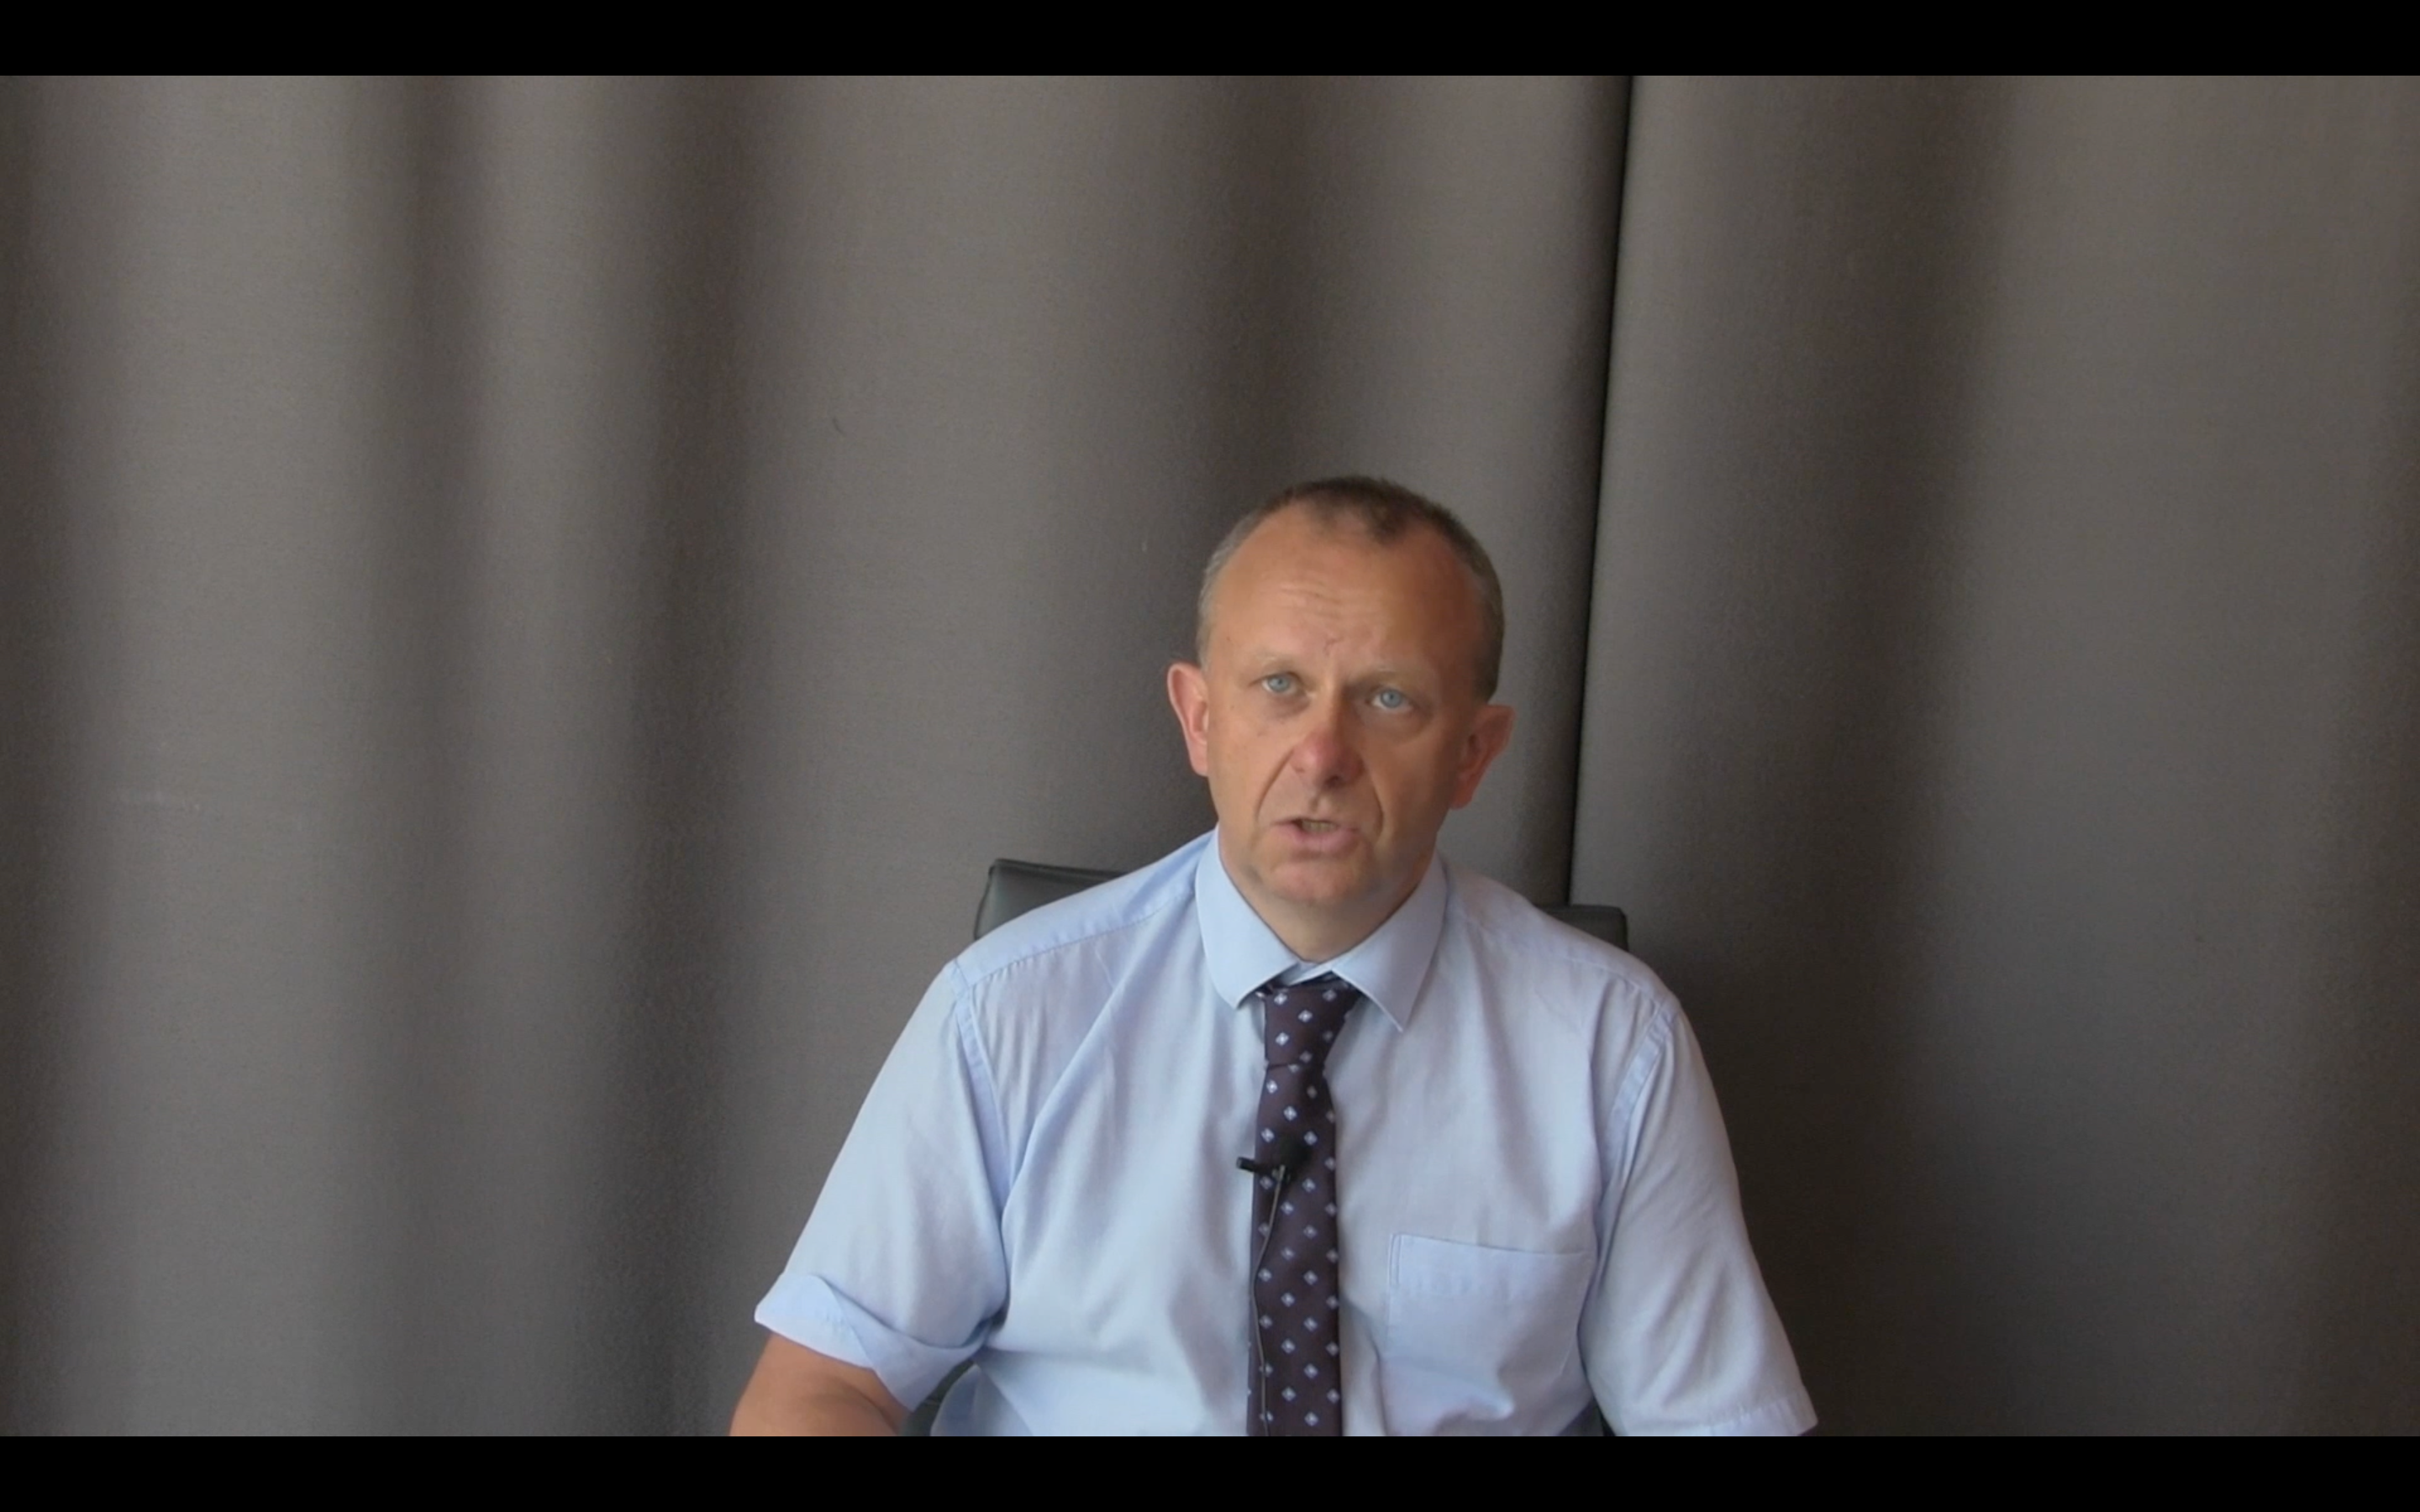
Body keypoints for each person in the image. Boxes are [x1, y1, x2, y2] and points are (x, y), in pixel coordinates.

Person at [732, 477, 1814, 1435]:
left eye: (1388, 699)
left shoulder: (1610, 1045)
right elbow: (817, 1391)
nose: (1324, 755)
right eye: (1279, 686)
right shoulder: (1009, 1011)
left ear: (1474, 753)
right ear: (1201, 719)